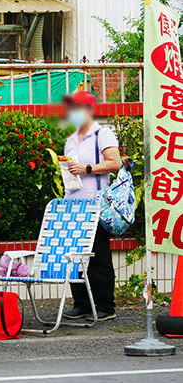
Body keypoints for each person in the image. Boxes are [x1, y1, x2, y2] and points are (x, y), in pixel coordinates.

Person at [62, 91, 122, 321]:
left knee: (98, 257)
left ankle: (106, 306)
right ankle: (82, 304)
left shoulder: (102, 133)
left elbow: (114, 163)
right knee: (74, 257)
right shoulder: (71, 139)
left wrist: (86, 168)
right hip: (72, 206)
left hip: (95, 205)